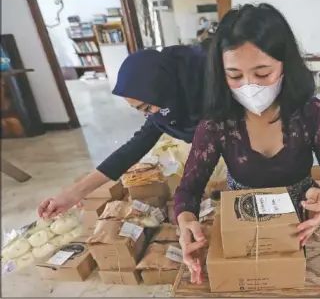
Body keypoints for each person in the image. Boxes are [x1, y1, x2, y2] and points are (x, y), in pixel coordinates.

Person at [175, 3, 320, 285]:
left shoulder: (311, 113)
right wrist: (186, 223)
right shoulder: (217, 123)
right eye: (234, 76)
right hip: (245, 232)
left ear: (285, 64)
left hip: (304, 229)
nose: (250, 86)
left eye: (262, 74)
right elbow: (188, 190)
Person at [37, 40, 211, 219]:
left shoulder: (212, 85)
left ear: (163, 89)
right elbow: (134, 147)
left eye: (147, 107)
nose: (148, 115)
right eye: (140, 110)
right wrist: (72, 195)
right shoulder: (167, 100)